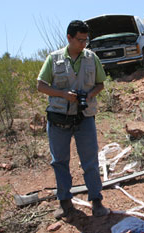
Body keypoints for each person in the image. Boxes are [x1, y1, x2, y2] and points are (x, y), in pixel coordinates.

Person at [37, 20, 110, 219]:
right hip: (59, 119)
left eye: (86, 40)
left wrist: (89, 95)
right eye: (80, 40)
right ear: (69, 37)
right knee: (59, 161)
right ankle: (65, 203)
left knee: (90, 161)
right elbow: (41, 86)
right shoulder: (54, 58)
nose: (83, 44)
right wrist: (62, 94)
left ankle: (96, 201)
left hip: (84, 118)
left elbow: (100, 84)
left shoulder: (91, 58)